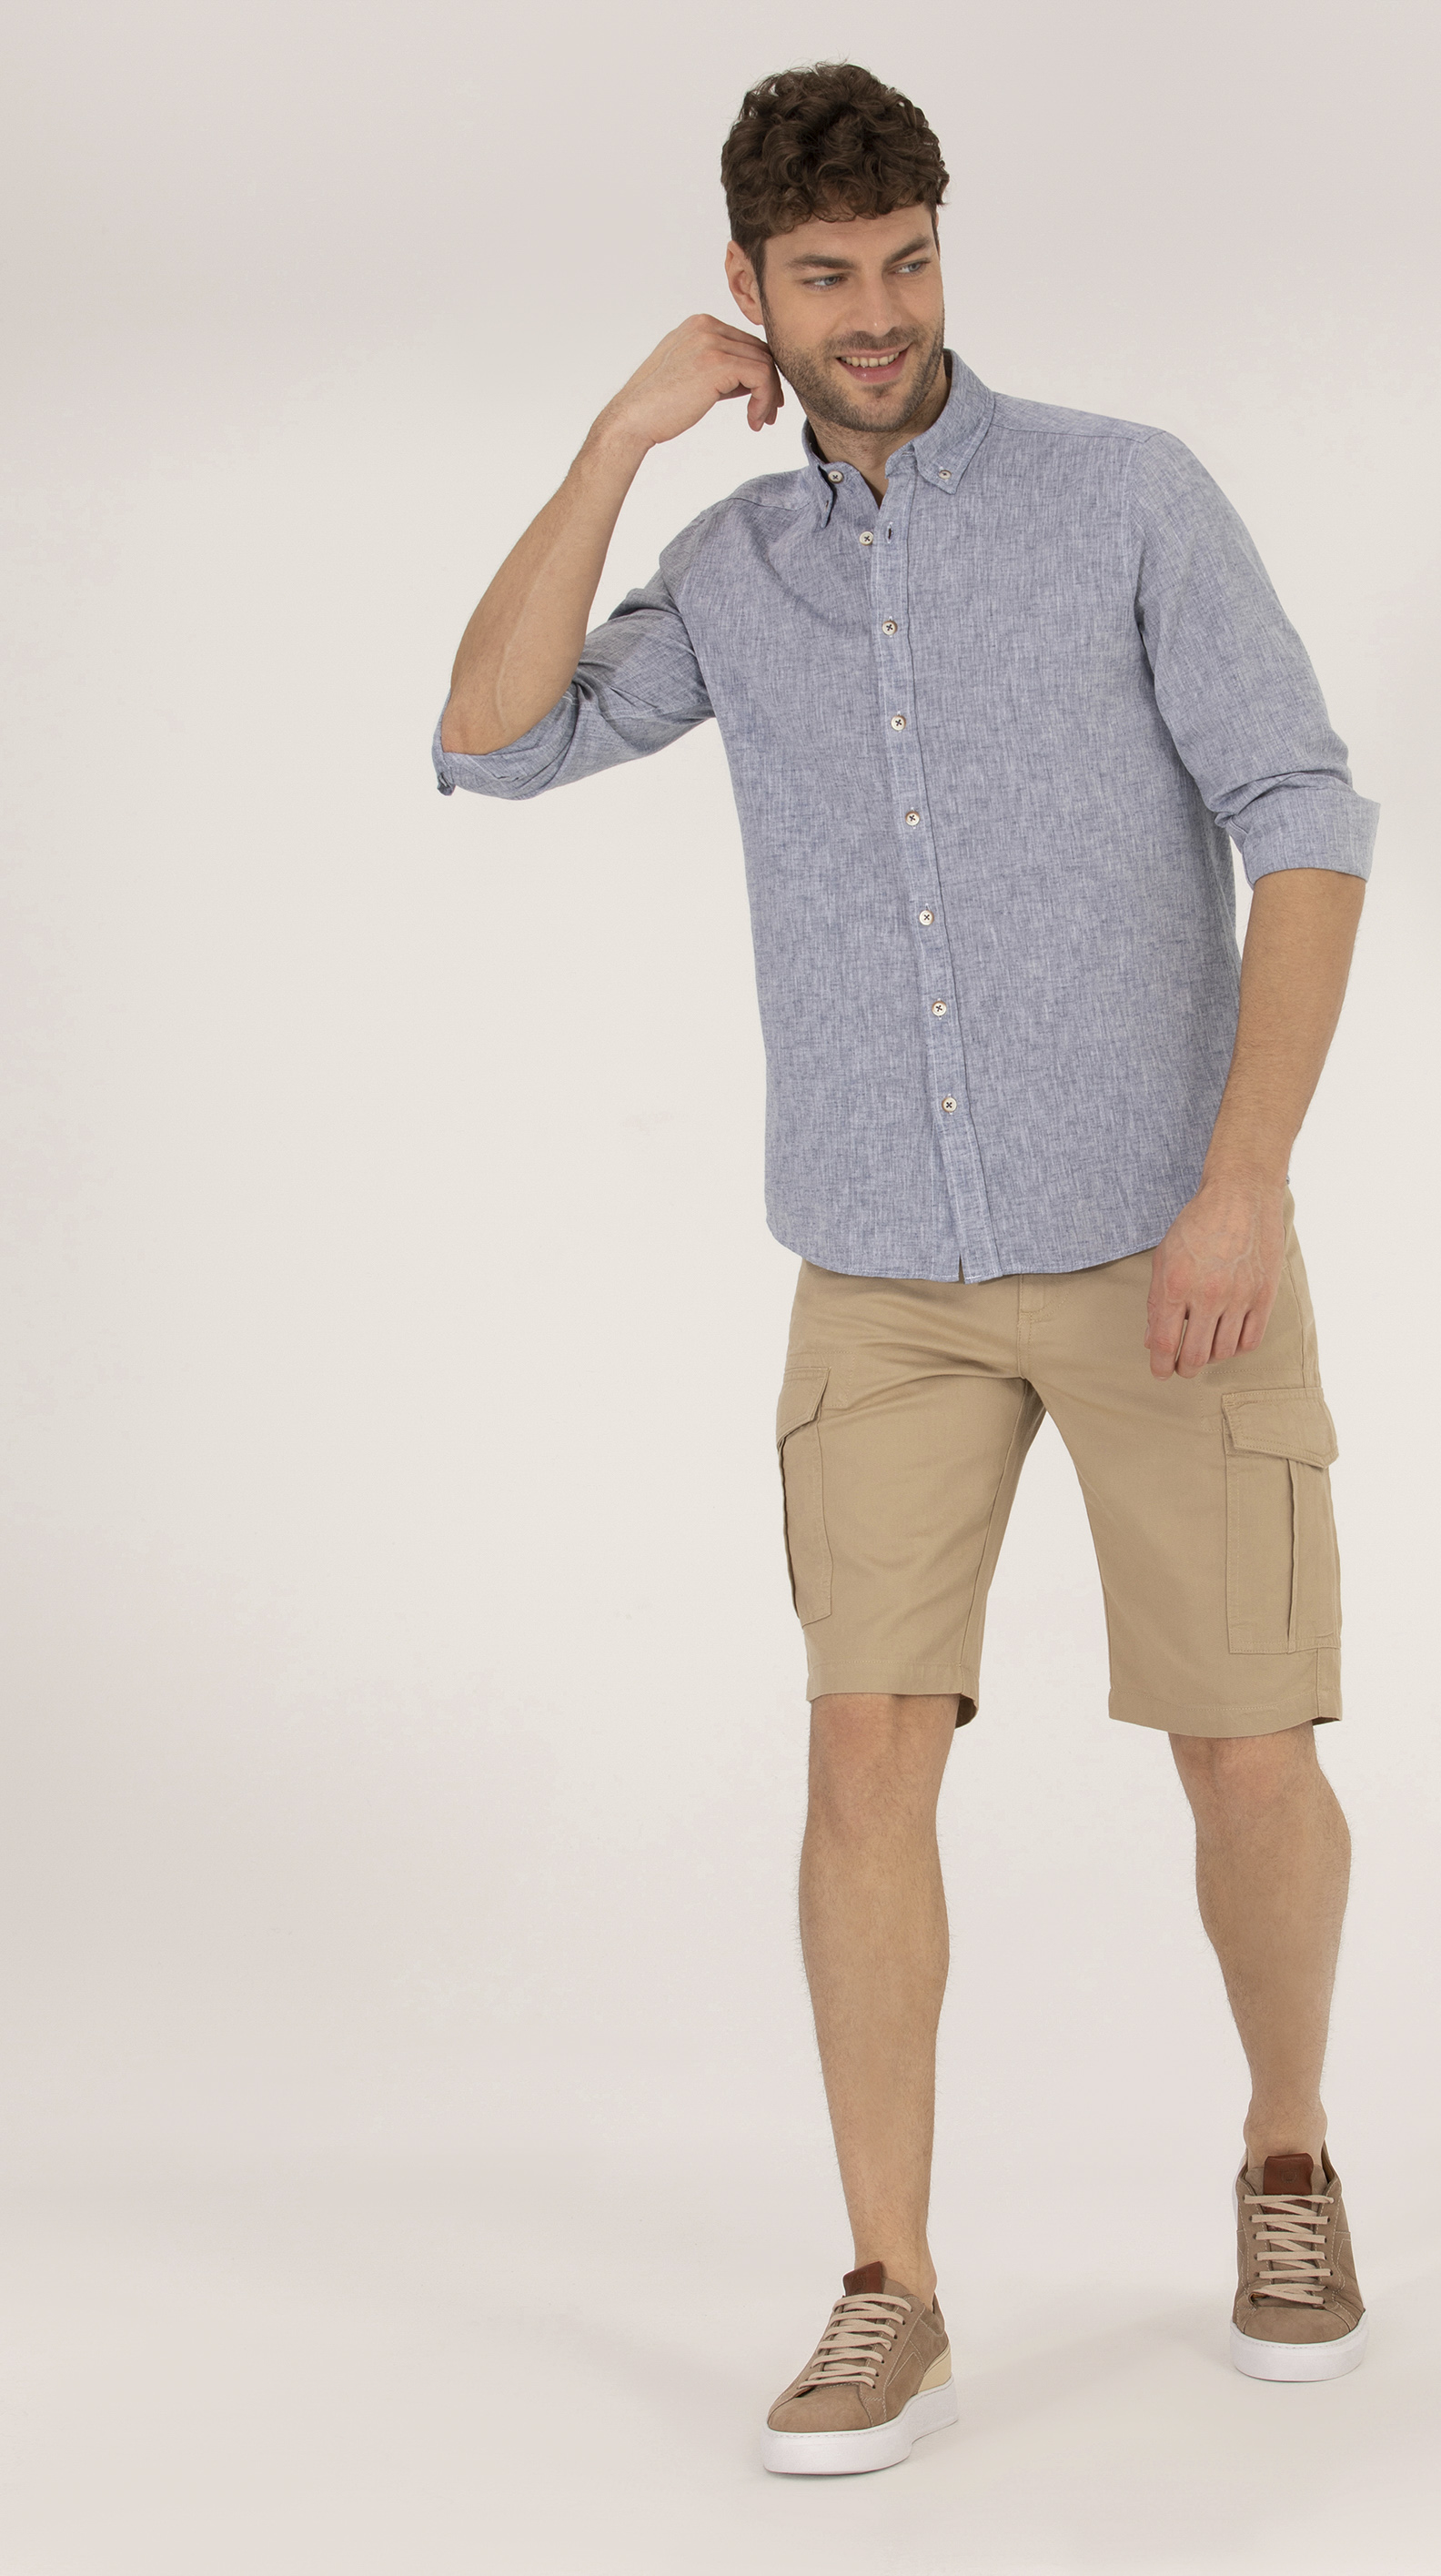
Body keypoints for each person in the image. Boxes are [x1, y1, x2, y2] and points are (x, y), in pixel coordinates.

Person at [434, 60, 1380, 2479]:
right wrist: (619, 439)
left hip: (1167, 1239)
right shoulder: (733, 572)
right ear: (750, 289)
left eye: (908, 261)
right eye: (825, 277)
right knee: (861, 1750)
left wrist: (1245, 1180)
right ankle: (894, 2286)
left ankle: (1286, 2157)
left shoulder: (1127, 497)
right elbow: (493, 742)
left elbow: (1304, 818)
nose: (877, 315)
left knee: (1246, 1747)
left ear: (946, 249)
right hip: (879, 1269)